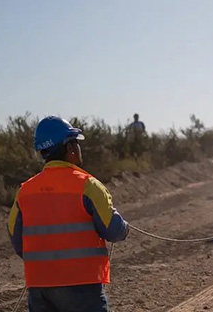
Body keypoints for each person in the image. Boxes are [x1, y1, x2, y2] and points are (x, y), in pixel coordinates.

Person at [7, 116, 129, 312]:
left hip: (40, 287)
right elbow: (113, 230)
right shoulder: (88, 185)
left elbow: (16, 237)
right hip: (82, 287)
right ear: (70, 148)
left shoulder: (25, 191)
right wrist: (124, 227)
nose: (79, 148)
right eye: (76, 143)